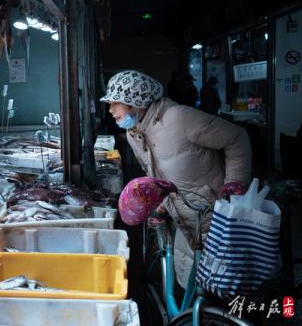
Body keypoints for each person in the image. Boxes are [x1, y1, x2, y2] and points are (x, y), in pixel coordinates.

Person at [101, 70, 252, 287]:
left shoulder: (180, 118)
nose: (110, 109)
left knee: (227, 287)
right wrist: (162, 205)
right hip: (182, 220)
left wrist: (235, 184)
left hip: (215, 217)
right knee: (191, 287)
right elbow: (154, 174)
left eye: (115, 102)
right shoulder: (135, 132)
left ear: (135, 102)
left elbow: (237, 138)